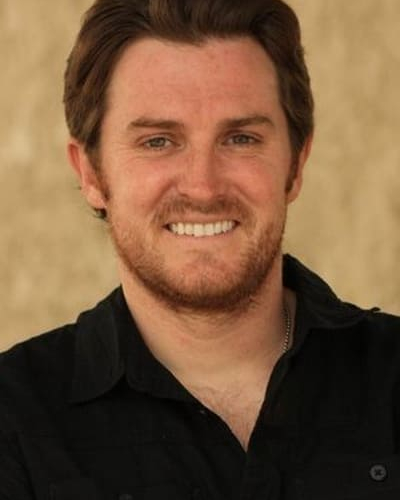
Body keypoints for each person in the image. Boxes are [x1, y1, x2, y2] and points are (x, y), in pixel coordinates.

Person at [1, 0, 399, 498]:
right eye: (158, 141)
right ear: (91, 175)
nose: (203, 187)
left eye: (240, 138)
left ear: (296, 165)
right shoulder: (12, 421)